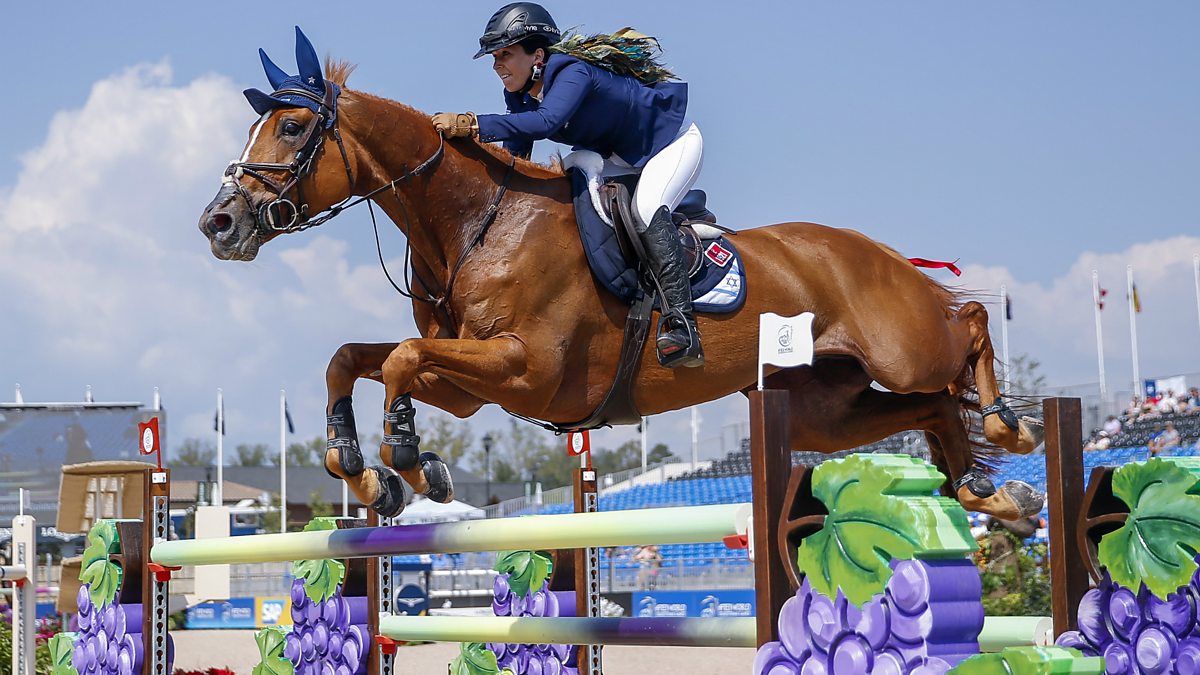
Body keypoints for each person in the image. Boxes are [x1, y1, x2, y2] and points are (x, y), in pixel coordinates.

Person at [431, 2, 706, 368]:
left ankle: (682, 324)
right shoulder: (519, 91)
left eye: (505, 54)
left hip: (670, 143)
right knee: (573, 194)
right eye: (494, 56)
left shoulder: (573, 72)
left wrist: (473, 124)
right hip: (618, 154)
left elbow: (546, 122)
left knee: (644, 209)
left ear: (538, 55)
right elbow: (518, 156)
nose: (497, 65)